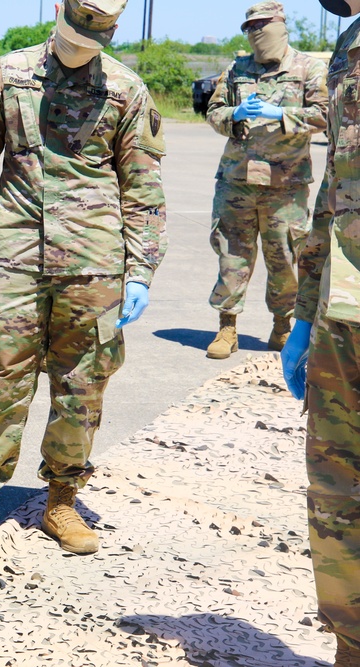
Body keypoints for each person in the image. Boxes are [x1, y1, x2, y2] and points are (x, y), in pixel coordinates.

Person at [0, 0, 167, 555]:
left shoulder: (126, 90)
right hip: (15, 255)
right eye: (74, 34)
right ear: (58, 10)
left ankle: (63, 502)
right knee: (0, 379)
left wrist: (142, 268)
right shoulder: (9, 75)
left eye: (93, 40)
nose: (80, 48)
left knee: (82, 387)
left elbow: (143, 189)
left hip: (95, 263)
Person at [282, 1, 360, 664]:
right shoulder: (347, 47)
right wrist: (305, 311)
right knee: (336, 494)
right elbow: (333, 182)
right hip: (344, 308)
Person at [204, 1, 329, 360]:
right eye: (250, 26)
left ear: (281, 24)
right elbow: (214, 112)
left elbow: (324, 115)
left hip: (285, 186)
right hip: (237, 181)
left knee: (286, 259)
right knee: (232, 256)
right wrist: (235, 114)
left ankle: (282, 325)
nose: (256, 31)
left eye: (263, 24)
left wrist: (284, 114)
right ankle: (227, 326)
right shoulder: (237, 68)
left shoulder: (308, 67)